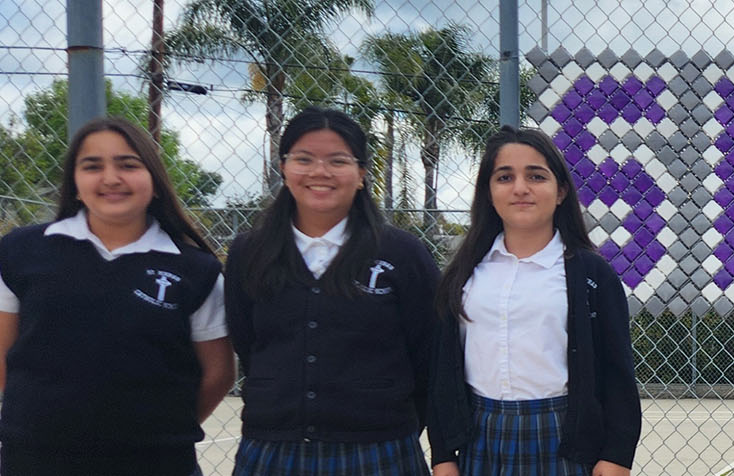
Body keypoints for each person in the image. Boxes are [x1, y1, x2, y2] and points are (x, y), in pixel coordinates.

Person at [0, 116, 234, 476]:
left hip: (156, 463)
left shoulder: (196, 270)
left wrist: (159, 431)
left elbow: (218, 373)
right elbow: (4, 357)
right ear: (75, 184)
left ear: (154, 182)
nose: (111, 178)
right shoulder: (21, 252)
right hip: (34, 460)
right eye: (92, 166)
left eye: (128, 164)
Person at [224, 107, 439, 475]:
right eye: (303, 159)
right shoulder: (248, 252)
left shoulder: (403, 254)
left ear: (361, 174)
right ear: (283, 167)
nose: (319, 172)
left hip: (379, 451)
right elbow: (247, 342)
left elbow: (430, 357)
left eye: (338, 160)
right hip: (273, 450)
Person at [427, 126, 641, 476]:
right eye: (505, 177)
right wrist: (443, 455)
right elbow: (442, 372)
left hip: (562, 441)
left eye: (536, 176)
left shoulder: (591, 274)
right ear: (489, 192)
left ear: (560, 192)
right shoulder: (464, 275)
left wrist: (617, 455)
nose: (520, 188)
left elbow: (618, 371)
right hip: (478, 441)